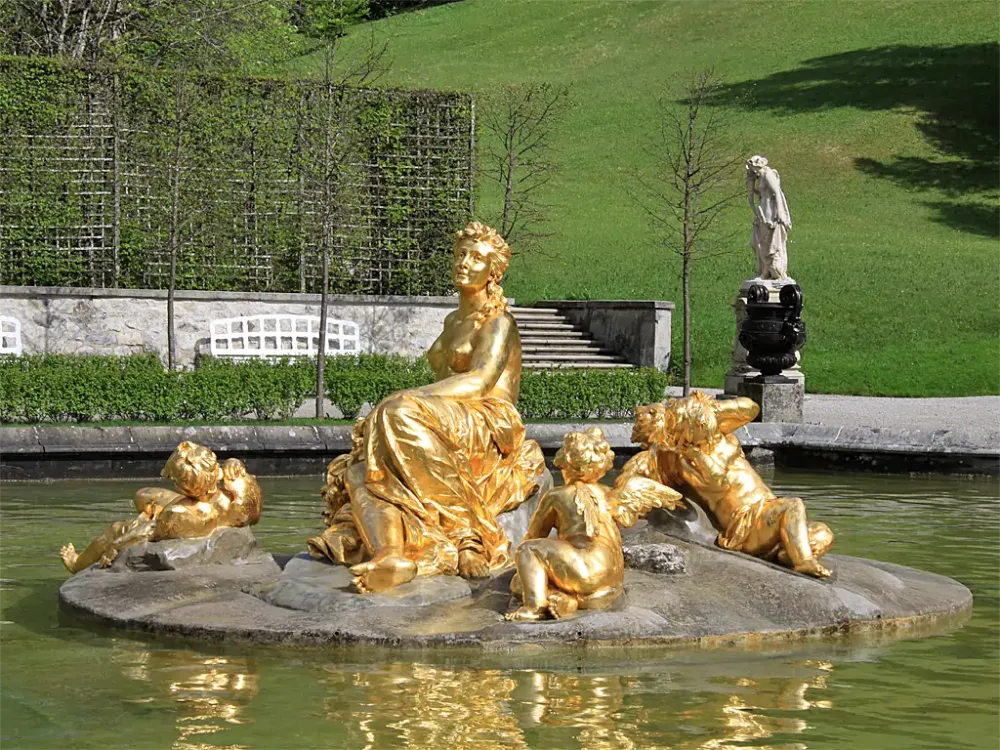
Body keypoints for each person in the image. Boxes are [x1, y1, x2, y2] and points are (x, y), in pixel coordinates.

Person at [308, 222, 545, 593]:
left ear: (494, 272)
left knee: (396, 411)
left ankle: (468, 538)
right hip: (448, 417)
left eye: (476, 258)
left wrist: (409, 398)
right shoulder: (453, 320)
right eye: (460, 254)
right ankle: (390, 554)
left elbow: (480, 382)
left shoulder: (500, 321)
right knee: (363, 469)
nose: (464, 263)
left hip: (488, 419)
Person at [506, 427, 682, 621]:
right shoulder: (609, 493)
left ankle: (536, 608)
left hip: (585, 568)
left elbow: (533, 538)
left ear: (565, 463)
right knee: (524, 581)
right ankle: (567, 600)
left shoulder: (557, 495)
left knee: (527, 554)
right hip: (611, 581)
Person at [654, 392, 834, 577]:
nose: (704, 419)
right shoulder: (688, 462)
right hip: (747, 523)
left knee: (823, 533)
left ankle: (786, 554)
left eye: (702, 414)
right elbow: (714, 481)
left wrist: (714, 407)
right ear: (686, 428)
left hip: (768, 512)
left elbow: (751, 408)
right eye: (697, 416)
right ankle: (803, 562)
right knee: (793, 505)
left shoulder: (724, 438)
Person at [59, 441, 261, 573]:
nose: (174, 485)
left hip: (179, 517)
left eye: (176, 482)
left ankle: (77, 564)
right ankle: (152, 510)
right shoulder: (235, 501)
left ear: (186, 488)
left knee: (115, 528)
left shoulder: (179, 513)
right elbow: (254, 511)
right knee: (143, 495)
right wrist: (234, 464)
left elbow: (147, 532)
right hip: (207, 500)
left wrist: (114, 547)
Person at [746, 155, 792, 280]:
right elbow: (757, 194)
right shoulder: (760, 176)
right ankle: (763, 271)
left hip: (770, 211)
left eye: (752, 168)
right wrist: (751, 184)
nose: (752, 171)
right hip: (763, 209)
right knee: (758, 242)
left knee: (767, 242)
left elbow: (777, 192)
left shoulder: (768, 174)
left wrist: (781, 212)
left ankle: (767, 272)